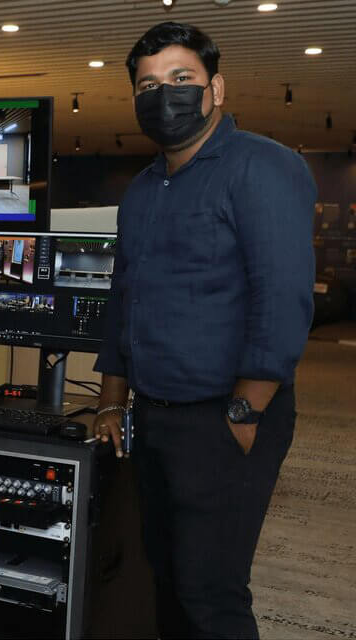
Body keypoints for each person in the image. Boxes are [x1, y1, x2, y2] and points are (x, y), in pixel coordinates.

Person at [92, 22, 315, 639]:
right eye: (148, 85)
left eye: (181, 79)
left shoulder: (263, 168)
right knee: (162, 575)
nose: (164, 95)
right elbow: (125, 297)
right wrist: (112, 401)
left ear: (215, 87)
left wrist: (244, 416)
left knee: (210, 591)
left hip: (225, 415)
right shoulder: (143, 189)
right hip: (155, 417)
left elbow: (282, 300)